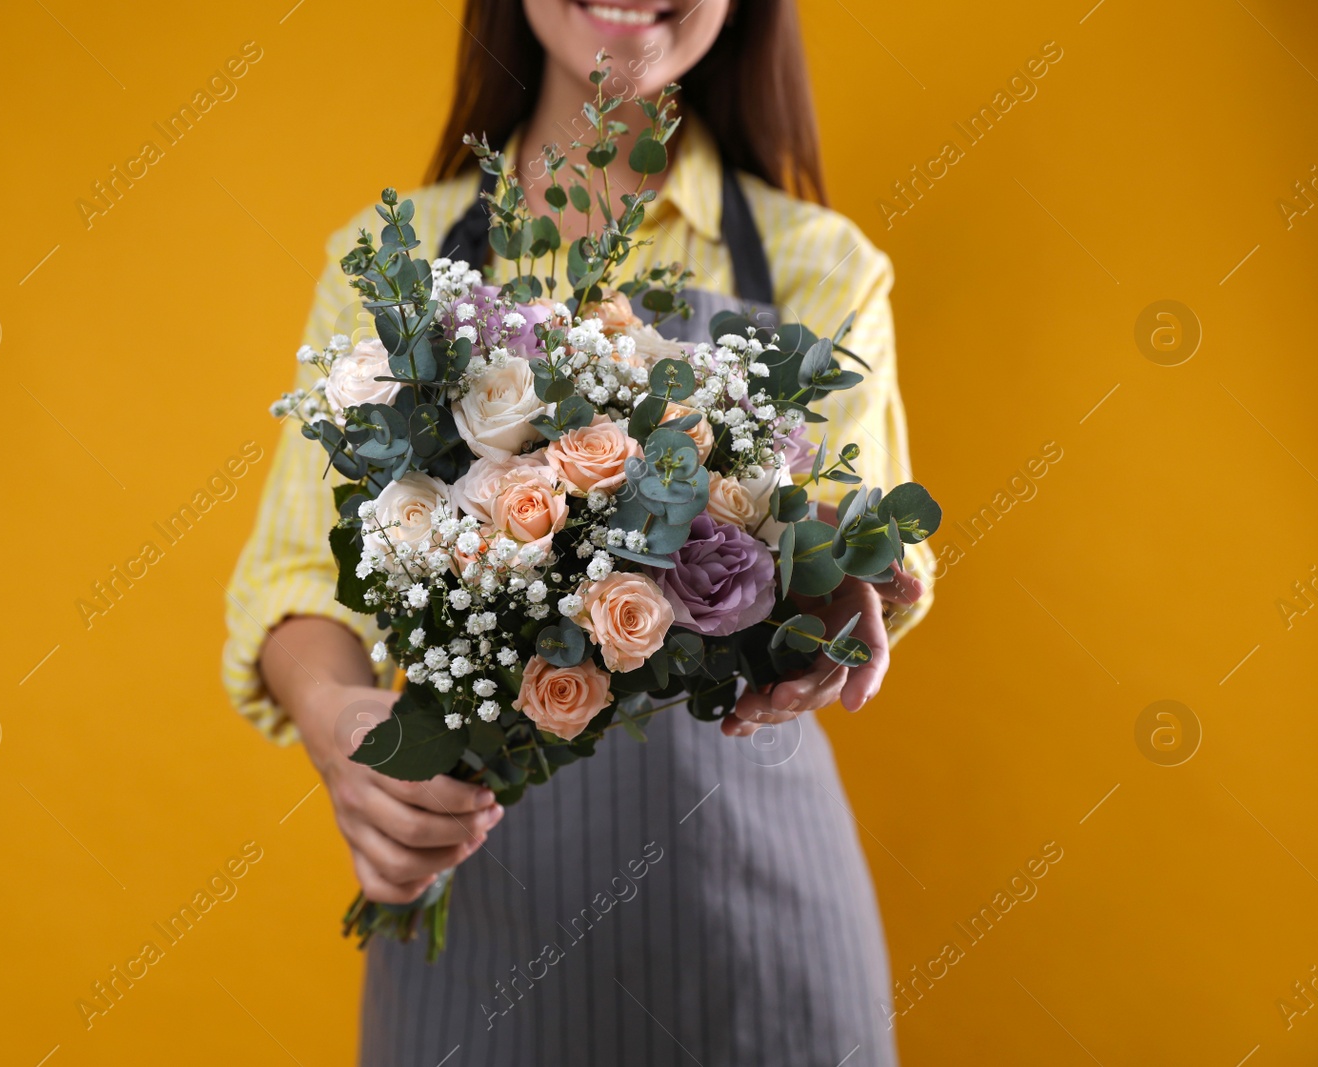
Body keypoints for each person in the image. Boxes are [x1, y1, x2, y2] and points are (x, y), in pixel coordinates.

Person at [223, 1, 935, 1063]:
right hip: (478, 913)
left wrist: (836, 589)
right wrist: (343, 729)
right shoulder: (392, 260)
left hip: (757, 931)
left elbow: (868, 546)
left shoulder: (823, 267)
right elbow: (296, 576)